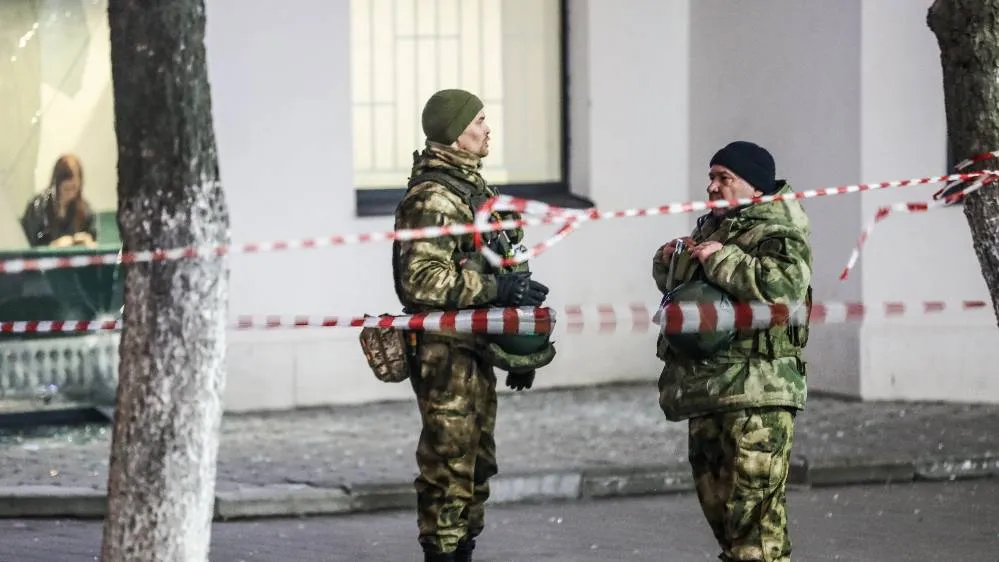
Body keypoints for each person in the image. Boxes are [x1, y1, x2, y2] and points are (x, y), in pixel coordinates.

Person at [392, 88, 557, 562]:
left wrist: (523, 349)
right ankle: (442, 552)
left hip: (478, 346)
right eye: (479, 120)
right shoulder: (434, 197)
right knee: (449, 465)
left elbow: (511, 265)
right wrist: (494, 289)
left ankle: (461, 549)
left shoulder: (479, 192)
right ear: (454, 132)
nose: (488, 129)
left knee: (478, 464)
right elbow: (420, 280)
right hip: (444, 352)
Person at [652, 141, 812, 562]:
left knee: (755, 534)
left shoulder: (778, 230)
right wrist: (671, 259)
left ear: (755, 187)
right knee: (726, 523)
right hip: (710, 390)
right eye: (711, 177)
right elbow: (695, 296)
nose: (712, 186)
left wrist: (723, 259)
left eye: (725, 178)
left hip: (757, 393)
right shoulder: (714, 228)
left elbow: (784, 290)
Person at [20, 154, 97, 248]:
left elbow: (94, 245)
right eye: (66, 189)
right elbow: (27, 246)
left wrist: (87, 242)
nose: (70, 194)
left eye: (74, 188)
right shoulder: (37, 208)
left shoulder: (86, 211)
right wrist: (54, 245)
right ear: (56, 184)